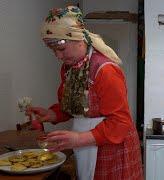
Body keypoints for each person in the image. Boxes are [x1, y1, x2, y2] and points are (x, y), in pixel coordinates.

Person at [26, 6, 143, 180]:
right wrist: (52, 114)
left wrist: (80, 139)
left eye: (61, 49)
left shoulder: (105, 71)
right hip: (85, 143)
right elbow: (74, 106)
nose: (58, 56)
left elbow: (120, 122)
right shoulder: (69, 68)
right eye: (53, 51)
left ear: (78, 39)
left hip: (112, 148)